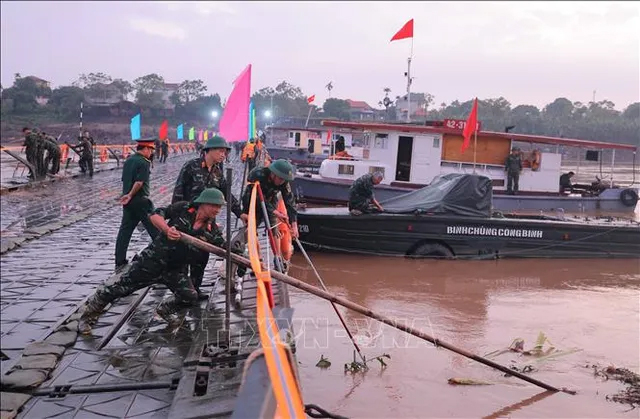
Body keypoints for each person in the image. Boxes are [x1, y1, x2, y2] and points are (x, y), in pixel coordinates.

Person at [79, 188, 247, 333]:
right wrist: (167, 230)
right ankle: (90, 314)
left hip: (175, 269)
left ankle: (165, 310)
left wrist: (242, 256)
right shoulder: (183, 209)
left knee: (189, 296)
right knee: (121, 289)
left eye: (219, 207)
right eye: (214, 206)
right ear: (202, 203)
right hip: (153, 261)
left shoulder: (212, 230)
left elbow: (225, 247)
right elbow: (155, 216)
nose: (217, 210)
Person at [172, 136, 244, 299]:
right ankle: (182, 291)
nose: (223, 154)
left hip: (206, 220)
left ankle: (195, 287)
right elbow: (178, 192)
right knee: (183, 255)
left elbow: (226, 193)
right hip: (188, 218)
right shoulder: (191, 167)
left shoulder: (218, 172)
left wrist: (240, 213)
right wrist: (177, 217)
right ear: (208, 151)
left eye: (225, 151)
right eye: (220, 150)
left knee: (202, 255)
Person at [114, 138, 159, 270]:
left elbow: (125, 180)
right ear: (145, 149)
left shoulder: (129, 160)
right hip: (141, 200)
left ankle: (119, 259)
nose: (151, 153)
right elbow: (139, 182)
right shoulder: (144, 162)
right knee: (155, 229)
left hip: (128, 202)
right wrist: (131, 194)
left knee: (125, 231)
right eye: (150, 150)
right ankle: (162, 257)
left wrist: (127, 195)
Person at [241, 159, 299, 243]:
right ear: (273, 174)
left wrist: (294, 224)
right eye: (280, 178)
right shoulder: (258, 174)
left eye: (284, 179)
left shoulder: (283, 182)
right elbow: (255, 196)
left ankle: (277, 252)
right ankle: (247, 244)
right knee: (250, 227)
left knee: (274, 228)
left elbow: (289, 201)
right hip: (252, 201)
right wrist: (276, 212)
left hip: (270, 199)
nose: (281, 182)